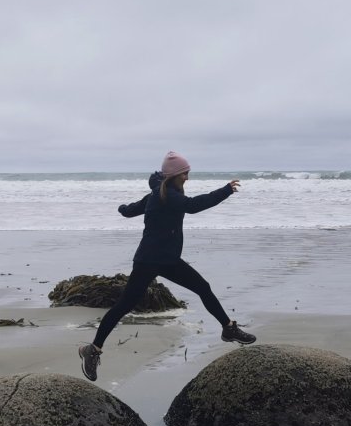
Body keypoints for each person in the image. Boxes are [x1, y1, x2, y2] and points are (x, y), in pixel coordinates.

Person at [78, 151, 256, 381]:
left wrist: (122, 208)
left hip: (166, 259)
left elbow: (131, 210)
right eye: (185, 174)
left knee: (202, 287)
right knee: (123, 306)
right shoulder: (168, 196)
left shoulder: (156, 195)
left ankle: (228, 328)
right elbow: (194, 205)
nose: (188, 179)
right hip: (150, 261)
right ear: (174, 176)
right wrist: (225, 191)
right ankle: (92, 350)